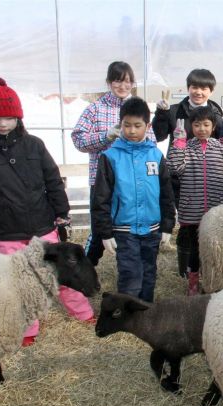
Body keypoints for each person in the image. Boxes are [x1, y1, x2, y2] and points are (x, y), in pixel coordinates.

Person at [0, 77, 95, 346]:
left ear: (18, 117)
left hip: (42, 226)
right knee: (17, 282)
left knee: (60, 273)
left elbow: (52, 178)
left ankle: (82, 313)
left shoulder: (34, 145)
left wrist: (61, 211)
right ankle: (27, 328)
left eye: (9, 117)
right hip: (7, 231)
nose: (3, 123)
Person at [91, 97, 175, 303]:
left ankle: (145, 312)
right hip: (124, 230)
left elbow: (166, 192)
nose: (132, 130)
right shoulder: (110, 157)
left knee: (149, 272)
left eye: (137, 126)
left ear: (147, 126)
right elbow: (100, 198)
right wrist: (105, 232)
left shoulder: (155, 155)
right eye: (126, 125)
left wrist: (167, 226)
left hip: (152, 228)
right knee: (130, 274)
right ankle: (128, 315)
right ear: (120, 125)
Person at [72, 61, 154, 267]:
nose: (122, 86)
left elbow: (151, 142)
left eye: (127, 81)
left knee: (129, 230)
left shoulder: (138, 107)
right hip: (102, 181)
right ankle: (86, 270)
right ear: (109, 82)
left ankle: (129, 272)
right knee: (100, 230)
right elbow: (78, 140)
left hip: (133, 182)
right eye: (117, 80)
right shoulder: (95, 109)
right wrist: (106, 136)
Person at [152, 68, 223, 279]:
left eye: (204, 88)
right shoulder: (175, 111)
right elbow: (157, 136)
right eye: (194, 87)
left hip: (207, 178)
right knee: (186, 224)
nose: (198, 92)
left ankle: (208, 267)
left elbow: (222, 144)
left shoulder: (216, 114)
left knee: (209, 224)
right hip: (179, 177)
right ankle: (186, 272)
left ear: (211, 91)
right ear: (188, 88)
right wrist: (161, 114)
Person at [166, 106, 223, 295]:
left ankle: (213, 282)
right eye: (196, 125)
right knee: (193, 251)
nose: (201, 128)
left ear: (213, 126)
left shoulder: (222, 150)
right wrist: (178, 143)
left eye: (206, 124)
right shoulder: (185, 148)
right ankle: (193, 284)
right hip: (191, 211)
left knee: (214, 250)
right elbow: (174, 167)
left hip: (215, 212)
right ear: (190, 126)